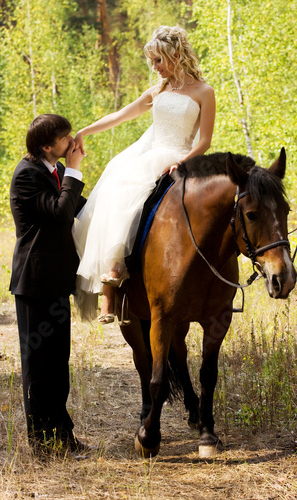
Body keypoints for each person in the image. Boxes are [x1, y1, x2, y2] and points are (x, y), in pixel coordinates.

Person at [73, 25, 216, 323]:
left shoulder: (204, 92)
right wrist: (85, 130)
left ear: (176, 55)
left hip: (182, 156)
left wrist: (183, 162)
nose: (155, 67)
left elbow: (204, 141)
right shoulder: (157, 92)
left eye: (158, 60)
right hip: (152, 155)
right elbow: (120, 115)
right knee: (118, 188)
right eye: (152, 61)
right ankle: (110, 285)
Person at [9, 114, 91, 458]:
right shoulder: (28, 174)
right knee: (39, 366)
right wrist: (73, 170)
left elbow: (81, 209)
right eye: (64, 137)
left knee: (58, 365)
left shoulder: (54, 171)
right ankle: (41, 443)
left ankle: (63, 435)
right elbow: (60, 212)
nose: (71, 141)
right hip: (35, 282)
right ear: (47, 146)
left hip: (57, 282)